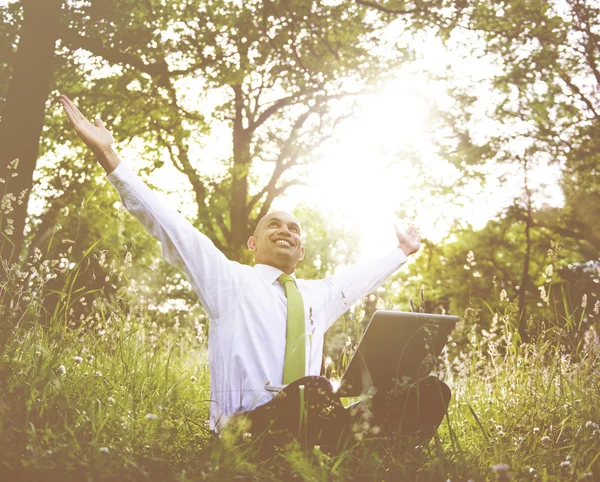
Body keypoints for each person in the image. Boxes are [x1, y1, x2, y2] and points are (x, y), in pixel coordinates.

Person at [59, 94, 450, 452]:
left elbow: (358, 279)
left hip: (312, 426)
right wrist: (109, 155)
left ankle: (362, 464)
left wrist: (403, 250)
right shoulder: (229, 281)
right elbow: (171, 226)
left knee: (429, 392)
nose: (285, 230)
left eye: (294, 229)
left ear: (301, 250)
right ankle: (330, 458)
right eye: (273, 225)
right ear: (252, 243)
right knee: (314, 391)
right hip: (243, 433)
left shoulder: (318, 296)